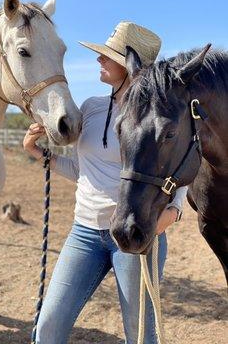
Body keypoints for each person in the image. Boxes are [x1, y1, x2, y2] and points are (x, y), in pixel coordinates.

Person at [23, 21, 187, 344]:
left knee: (140, 335)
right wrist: (38, 153)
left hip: (135, 235)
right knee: (48, 327)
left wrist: (175, 210)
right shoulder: (92, 108)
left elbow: (179, 167)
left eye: (107, 56)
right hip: (84, 233)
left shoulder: (155, 114)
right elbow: (82, 171)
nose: (99, 60)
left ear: (129, 65)